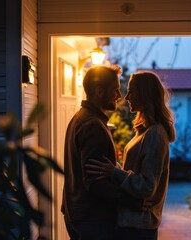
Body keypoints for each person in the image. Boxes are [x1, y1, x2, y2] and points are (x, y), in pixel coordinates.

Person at [86, 71, 176, 240]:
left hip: (139, 227)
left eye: (131, 91)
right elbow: (133, 173)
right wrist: (113, 169)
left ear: (145, 94)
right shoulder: (144, 131)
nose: (126, 97)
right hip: (130, 224)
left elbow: (147, 186)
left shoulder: (155, 134)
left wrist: (114, 172)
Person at [61, 65, 142, 240]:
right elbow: (94, 181)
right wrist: (133, 201)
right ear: (99, 91)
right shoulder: (92, 125)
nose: (119, 96)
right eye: (115, 90)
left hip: (79, 214)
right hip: (92, 219)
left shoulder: (80, 117)